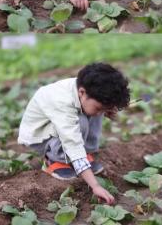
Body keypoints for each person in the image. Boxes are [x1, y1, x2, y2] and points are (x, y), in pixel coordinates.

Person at [18, 63, 130, 204]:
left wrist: (106, 109)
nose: (101, 110)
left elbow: (95, 108)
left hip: (58, 128)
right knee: (80, 121)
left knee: (94, 113)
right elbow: (72, 142)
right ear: (82, 92)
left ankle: (83, 156)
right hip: (41, 137)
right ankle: (54, 160)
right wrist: (95, 185)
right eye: (99, 106)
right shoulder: (61, 101)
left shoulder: (88, 91)